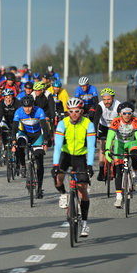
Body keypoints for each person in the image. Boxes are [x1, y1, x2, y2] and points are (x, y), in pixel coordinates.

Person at [51, 97, 95, 238]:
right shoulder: (63, 124)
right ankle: (64, 194)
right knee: (58, 179)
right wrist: (55, 165)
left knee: (82, 189)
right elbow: (57, 146)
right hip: (65, 154)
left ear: (82, 111)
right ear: (68, 112)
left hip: (80, 157)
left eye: (77, 111)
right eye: (71, 111)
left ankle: (85, 223)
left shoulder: (88, 124)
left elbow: (91, 147)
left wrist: (89, 166)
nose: (74, 114)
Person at [105, 102, 137, 208]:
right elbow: (110, 137)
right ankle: (118, 198)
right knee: (118, 170)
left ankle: (135, 174)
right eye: (124, 113)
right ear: (120, 113)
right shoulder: (116, 121)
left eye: (129, 113)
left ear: (132, 113)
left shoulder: (135, 120)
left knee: (135, 156)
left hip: (132, 142)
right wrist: (107, 150)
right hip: (119, 144)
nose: (127, 115)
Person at [11, 95, 49, 198]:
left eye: (29, 107)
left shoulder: (39, 111)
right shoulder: (19, 112)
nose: (27, 109)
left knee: (39, 161)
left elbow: (45, 128)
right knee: (19, 146)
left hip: (37, 136)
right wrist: (13, 141)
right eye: (25, 107)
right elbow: (14, 128)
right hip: (25, 134)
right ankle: (23, 166)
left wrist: (45, 141)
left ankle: (40, 188)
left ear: (33, 105)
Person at [93, 88, 121, 182]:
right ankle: (101, 171)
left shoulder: (118, 105)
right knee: (103, 147)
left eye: (108, 99)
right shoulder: (100, 105)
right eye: (104, 99)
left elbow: (122, 119)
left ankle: (115, 167)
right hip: (104, 126)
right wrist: (94, 133)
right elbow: (96, 120)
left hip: (115, 127)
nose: (106, 102)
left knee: (113, 146)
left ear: (113, 98)